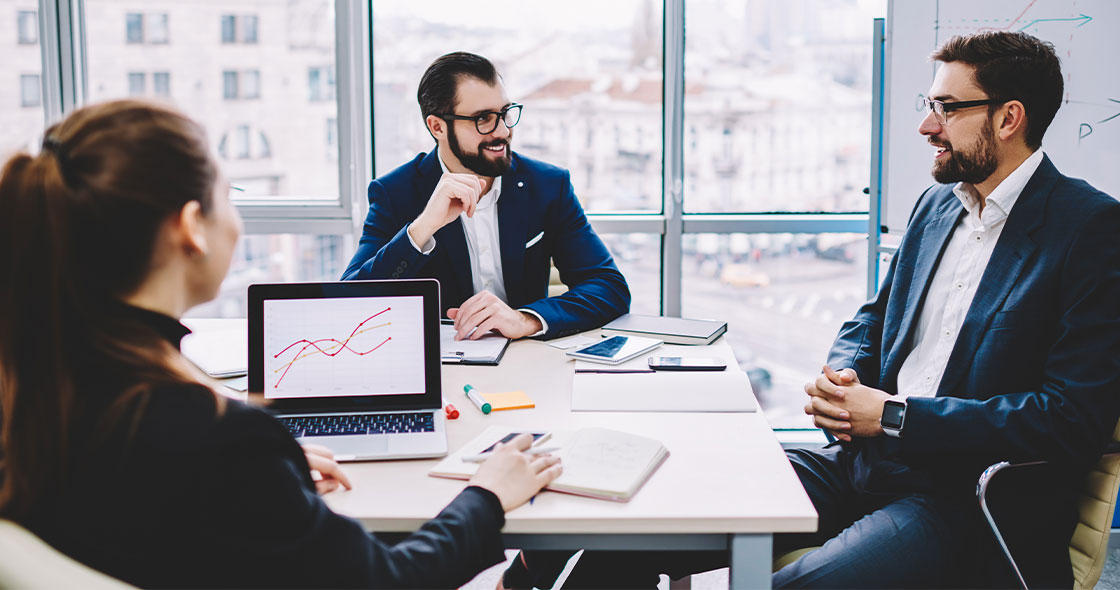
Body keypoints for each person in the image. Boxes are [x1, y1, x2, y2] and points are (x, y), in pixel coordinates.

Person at [505, 30, 1120, 589]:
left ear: (1009, 117)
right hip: (861, 462)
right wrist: (843, 374)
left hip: (963, 498)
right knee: (629, 538)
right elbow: (875, 317)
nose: (927, 127)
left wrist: (899, 417)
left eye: (947, 108)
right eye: (929, 106)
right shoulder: (939, 208)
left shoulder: (1088, 230)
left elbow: (1071, 420)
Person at [0, 99, 562, 588]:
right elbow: (387, 581)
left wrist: (264, 471)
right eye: (229, 195)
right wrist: (488, 494)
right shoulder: (221, 439)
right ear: (192, 225)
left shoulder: (39, 385)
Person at [342, 52, 630, 341]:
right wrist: (422, 229)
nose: (503, 131)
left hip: (527, 360)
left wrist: (525, 319)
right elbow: (349, 305)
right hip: (442, 367)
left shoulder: (547, 185)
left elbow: (608, 287)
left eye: (504, 114)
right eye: (483, 119)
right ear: (437, 127)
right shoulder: (395, 192)